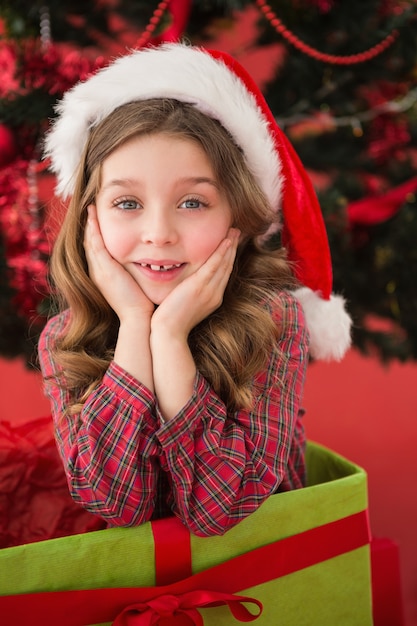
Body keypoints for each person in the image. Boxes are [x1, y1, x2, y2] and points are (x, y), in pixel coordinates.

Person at [39, 43, 351, 537]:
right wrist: (135, 332)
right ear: (89, 216)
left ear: (238, 212)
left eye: (191, 202)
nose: (159, 233)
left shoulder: (274, 319)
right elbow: (114, 503)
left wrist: (169, 338)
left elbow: (220, 511)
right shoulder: (66, 336)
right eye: (127, 202)